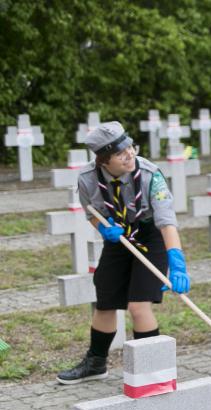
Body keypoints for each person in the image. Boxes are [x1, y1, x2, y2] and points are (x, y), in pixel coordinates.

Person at [57, 121, 190, 384]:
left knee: (138, 305)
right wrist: (104, 229)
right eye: (120, 153)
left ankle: (153, 371)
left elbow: (166, 221)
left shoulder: (151, 175)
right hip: (118, 237)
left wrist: (177, 261)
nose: (130, 155)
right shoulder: (87, 179)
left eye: (130, 147)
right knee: (106, 301)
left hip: (151, 236)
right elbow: (92, 213)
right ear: (104, 161)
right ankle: (96, 363)